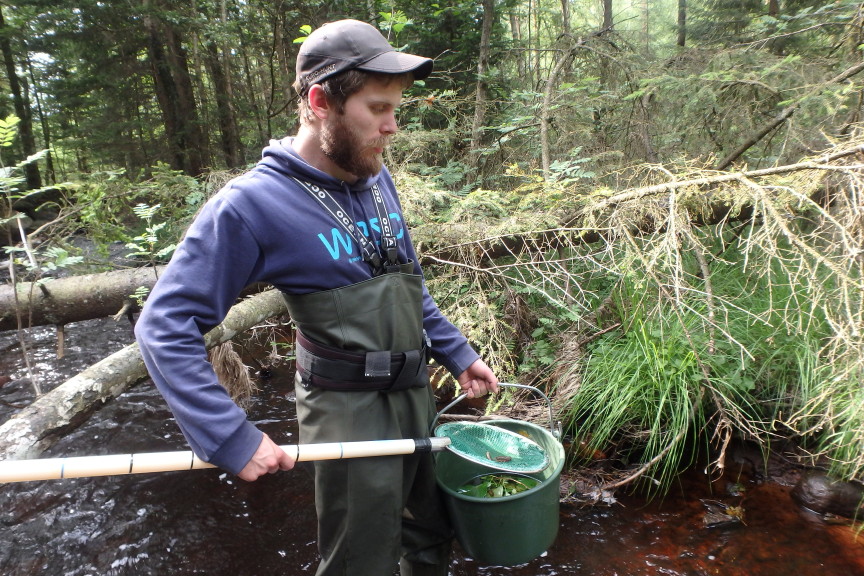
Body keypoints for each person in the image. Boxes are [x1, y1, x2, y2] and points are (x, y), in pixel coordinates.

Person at [134, 18, 499, 576]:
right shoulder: (250, 206)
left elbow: (407, 280)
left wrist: (456, 351)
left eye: (394, 109)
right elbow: (163, 324)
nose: (392, 126)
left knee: (430, 534)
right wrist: (228, 435)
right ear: (319, 101)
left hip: (414, 391)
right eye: (377, 109)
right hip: (347, 411)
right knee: (362, 558)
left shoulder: (374, 172)